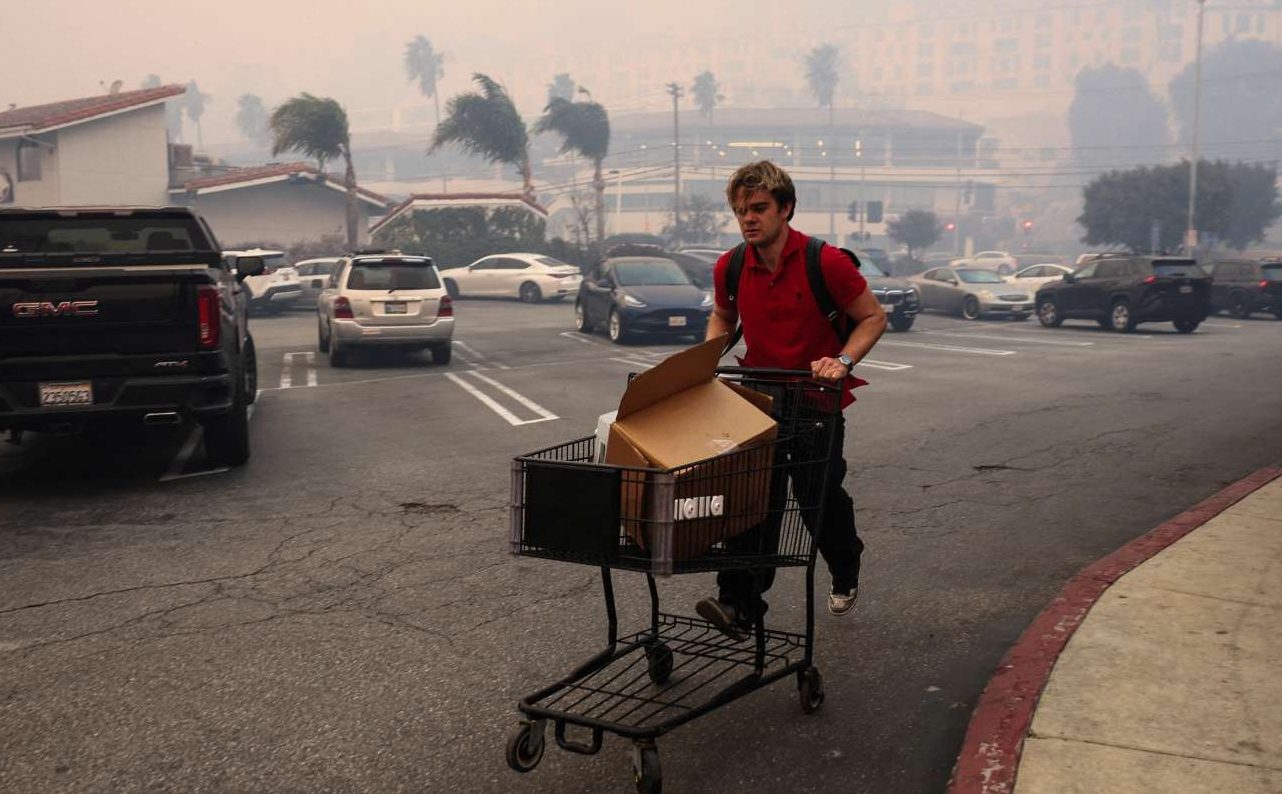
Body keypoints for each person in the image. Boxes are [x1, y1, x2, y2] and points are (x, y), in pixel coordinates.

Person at [696, 160, 886, 640]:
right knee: (751, 502)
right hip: (759, 399)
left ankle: (846, 565)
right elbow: (722, 315)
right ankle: (739, 604)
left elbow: (872, 318)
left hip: (815, 402)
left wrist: (841, 362)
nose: (748, 219)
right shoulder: (732, 265)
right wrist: (708, 354)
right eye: (740, 211)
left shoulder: (826, 262)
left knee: (817, 502)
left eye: (758, 208)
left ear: (786, 209)